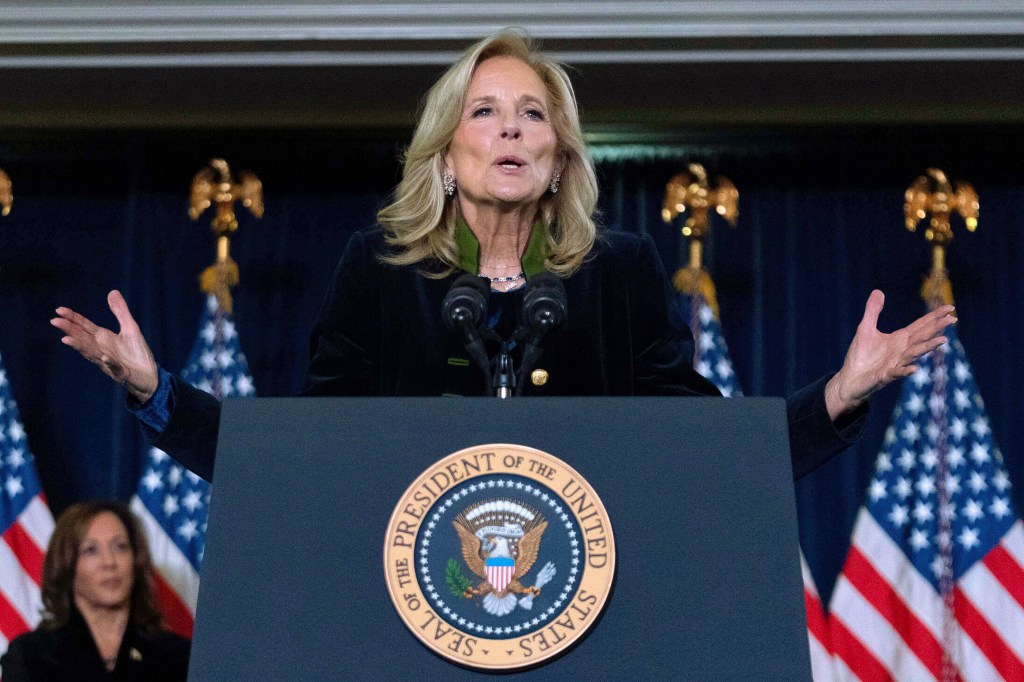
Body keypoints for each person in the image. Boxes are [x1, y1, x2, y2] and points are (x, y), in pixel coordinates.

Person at [50, 29, 954, 483]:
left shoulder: (620, 270)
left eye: (533, 114)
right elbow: (307, 456)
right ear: (445, 154)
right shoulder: (380, 270)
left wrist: (840, 395)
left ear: (560, 156)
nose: (512, 128)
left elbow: (699, 453)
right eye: (484, 111)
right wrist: (152, 390)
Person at [0, 502, 190, 682]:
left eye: (120, 547)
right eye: (91, 550)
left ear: (136, 561)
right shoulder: (32, 656)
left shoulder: (178, 656)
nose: (109, 562)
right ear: (67, 565)